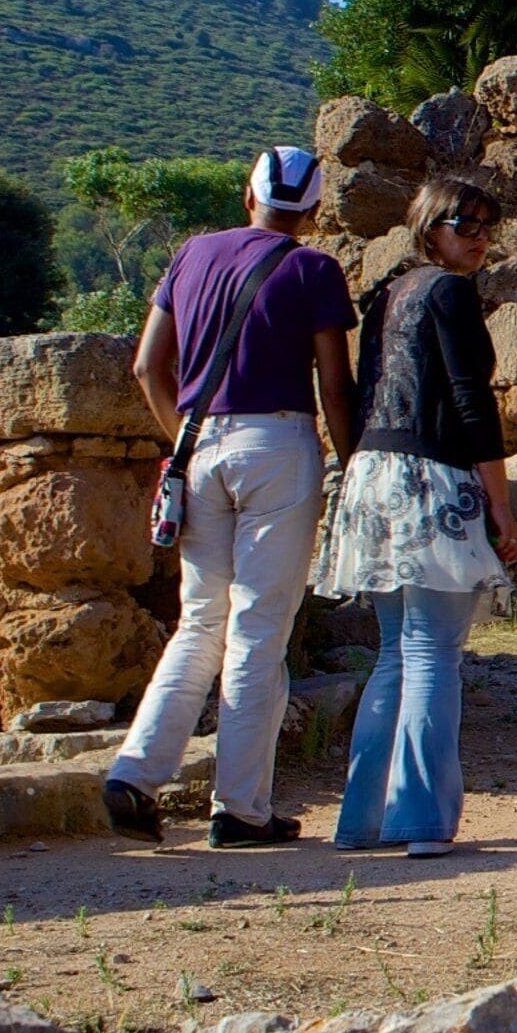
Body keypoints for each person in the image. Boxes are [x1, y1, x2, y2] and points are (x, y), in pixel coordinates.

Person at [106, 146, 356, 848]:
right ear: (311, 211)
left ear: (248, 195)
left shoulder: (192, 255)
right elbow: (333, 385)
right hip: (277, 447)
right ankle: (241, 808)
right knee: (257, 630)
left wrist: (183, 438)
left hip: (198, 446)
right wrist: (354, 460)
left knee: (198, 624)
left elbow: (147, 365)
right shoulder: (313, 268)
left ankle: (134, 774)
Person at [315, 175, 517, 858]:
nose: (482, 238)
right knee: (433, 653)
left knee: (395, 656)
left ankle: (362, 820)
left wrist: (353, 467)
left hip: (372, 475)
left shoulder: (387, 296)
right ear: (431, 227)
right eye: (468, 224)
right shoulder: (449, 292)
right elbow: (471, 400)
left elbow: (352, 389)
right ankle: (422, 820)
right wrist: (500, 503)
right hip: (433, 475)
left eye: (489, 225)